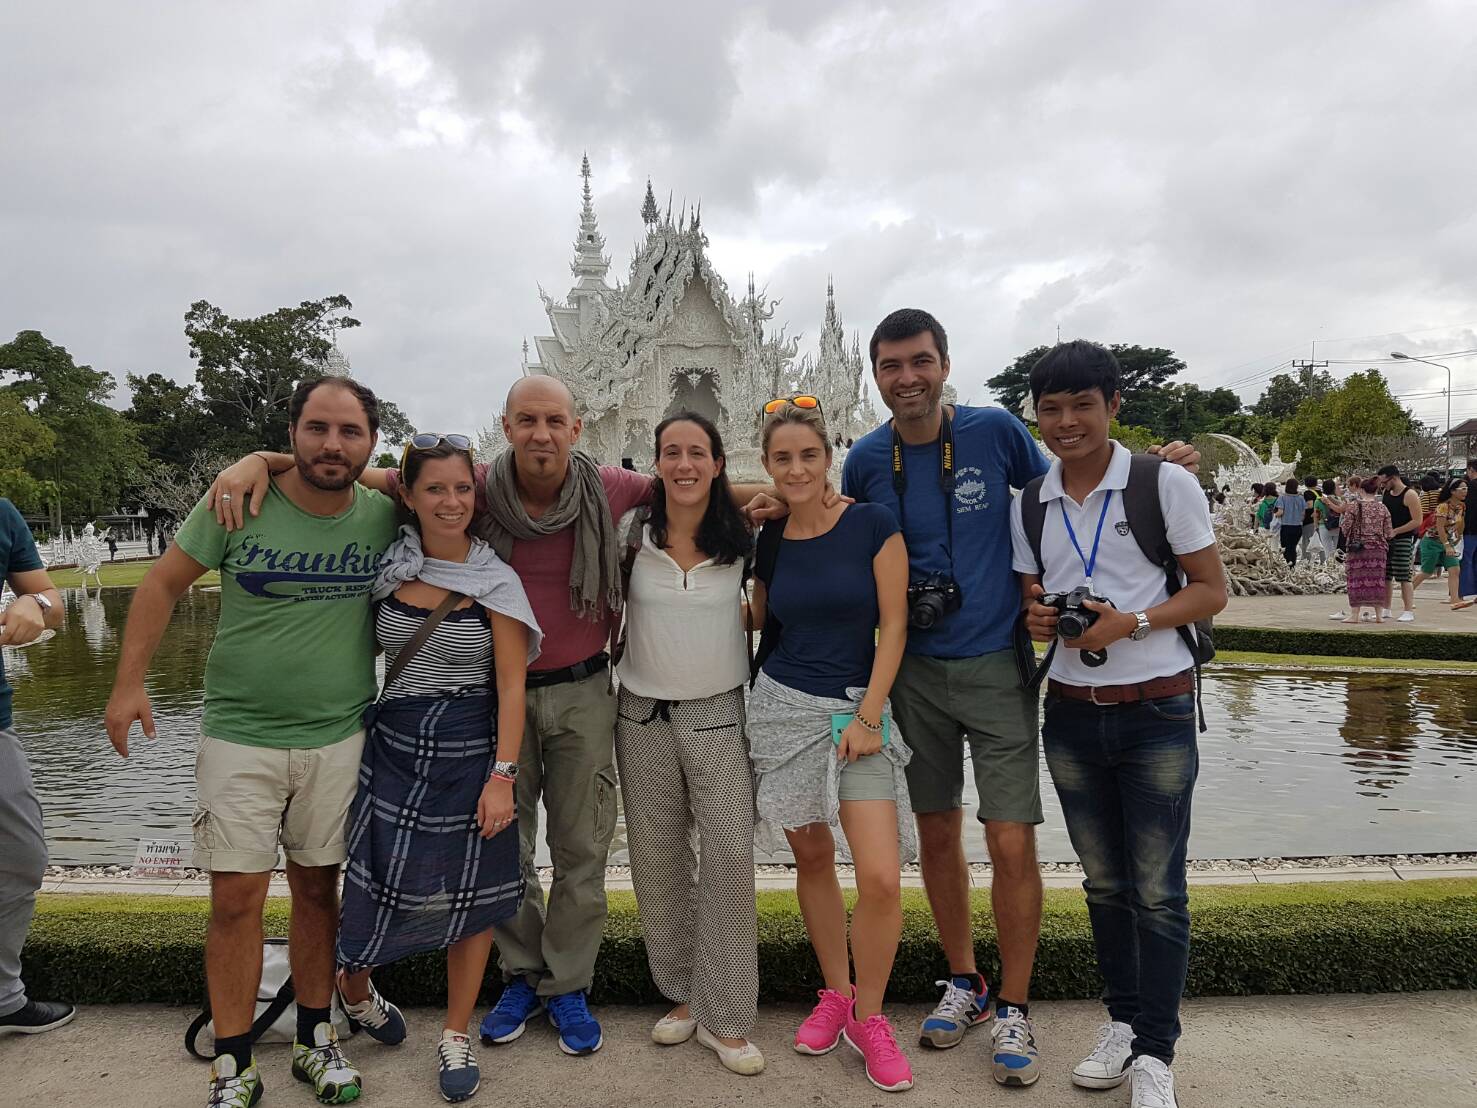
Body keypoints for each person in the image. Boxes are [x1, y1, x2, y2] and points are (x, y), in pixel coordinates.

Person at [209, 376, 786, 1057]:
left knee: (582, 849)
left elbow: (693, 490)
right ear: (506, 427)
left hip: (583, 691)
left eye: (554, 421)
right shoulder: (471, 487)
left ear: (576, 429)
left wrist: (788, 496)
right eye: (527, 420)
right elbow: (357, 473)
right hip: (493, 695)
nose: (541, 433)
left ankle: (568, 983)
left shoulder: (610, 487)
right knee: (504, 850)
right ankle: (521, 973)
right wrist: (260, 461)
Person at [831, 309, 1198, 1086]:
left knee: (1007, 839)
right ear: (874, 374)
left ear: (944, 363)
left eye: (920, 361)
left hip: (998, 663)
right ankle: (964, 981)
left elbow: (1067, 479)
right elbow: (838, 539)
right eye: (891, 365)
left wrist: (1155, 467)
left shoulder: (996, 431)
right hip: (911, 674)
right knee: (935, 834)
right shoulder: (865, 460)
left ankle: (1015, 1006)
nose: (908, 378)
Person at [106, 378, 398, 1107]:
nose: (332, 445)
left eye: (350, 432)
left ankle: (315, 1040)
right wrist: (128, 684)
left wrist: (256, 455)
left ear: (370, 443)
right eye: (316, 428)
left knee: (316, 890)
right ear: (292, 433)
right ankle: (233, 1059)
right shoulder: (239, 500)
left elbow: (463, 483)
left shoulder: (385, 513)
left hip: (339, 733)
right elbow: (163, 585)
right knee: (235, 897)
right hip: (241, 734)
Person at [1012, 341, 1226, 1108]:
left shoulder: (1161, 483)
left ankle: (1155, 1053)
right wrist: (1040, 617)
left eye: (1082, 405)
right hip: (1070, 714)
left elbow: (1210, 592)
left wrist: (1128, 623)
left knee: (1158, 891)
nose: (1066, 423)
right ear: (1035, 415)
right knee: (1103, 885)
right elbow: (1033, 600)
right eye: (1051, 409)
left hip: (1157, 708)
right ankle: (1122, 1023)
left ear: (1112, 407)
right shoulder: (1028, 501)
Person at [336, 436, 543, 1103]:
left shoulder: (494, 583)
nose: (451, 502)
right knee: (375, 880)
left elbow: (511, 687)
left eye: (462, 488)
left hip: (468, 750)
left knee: (471, 899)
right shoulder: (390, 570)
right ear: (408, 495)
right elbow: (337, 472)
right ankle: (356, 990)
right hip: (392, 747)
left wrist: (502, 777)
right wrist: (261, 461)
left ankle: (454, 1031)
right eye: (434, 489)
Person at [747, 398, 914, 1093]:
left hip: (855, 712)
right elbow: (757, 620)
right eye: (781, 458)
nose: (795, 469)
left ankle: (868, 1018)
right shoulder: (771, 539)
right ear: (767, 465)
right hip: (780, 710)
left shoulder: (871, 523)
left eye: (807, 456)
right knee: (811, 857)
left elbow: (895, 625)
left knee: (877, 876)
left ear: (827, 458)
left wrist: (870, 715)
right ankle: (835, 993)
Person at [611, 413, 764, 1076]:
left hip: (717, 712)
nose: (683, 464)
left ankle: (725, 1014)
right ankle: (682, 997)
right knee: (657, 860)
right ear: (655, 463)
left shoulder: (745, 538)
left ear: (717, 461)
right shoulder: (628, 534)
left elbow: (797, 491)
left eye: (696, 453)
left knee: (729, 856)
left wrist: (753, 491)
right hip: (639, 712)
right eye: (670, 453)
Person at [0, 499, 71, 1041]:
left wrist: (32, 601)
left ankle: (4, 998)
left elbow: (55, 601)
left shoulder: (3, 514)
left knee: (23, 856)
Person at [1339, 478, 1393, 624]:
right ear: (1376, 491)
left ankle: (1355, 615)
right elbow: (1389, 533)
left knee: (1356, 580)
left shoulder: (1353, 507)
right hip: (1379, 549)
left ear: (1361, 490)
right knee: (1377, 581)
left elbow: (1345, 528)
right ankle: (1379, 616)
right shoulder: (1383, 508)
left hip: (1358, 549)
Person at [1377, 465, 1422, 622]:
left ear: (1393, 478)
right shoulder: (1386, 493)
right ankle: (1386, 607)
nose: (1383, 485)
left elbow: (1417, 521)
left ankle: (1408, 609)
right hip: (1387, 539)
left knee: (1403, 575)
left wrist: (1397, 530)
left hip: (1403, 538)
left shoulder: (1410, 494)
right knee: (1386, 575)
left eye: (1384, 481)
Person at [1413, 477, 1466, 606]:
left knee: (1454, 569)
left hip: (1448, 541)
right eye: (1463, 489)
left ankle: (1455, 599)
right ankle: (1408, 593)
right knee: (1427, 571)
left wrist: (1459, 534)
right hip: (1432, 541)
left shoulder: (1461, 506)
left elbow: (1460, 521)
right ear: (1453, 491)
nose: (1465, 491)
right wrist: (1447, 545)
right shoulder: (1443, 507)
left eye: (1466, 489)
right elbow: (1439, 527)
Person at [1271, 479, 1305, 566]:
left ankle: (1287, 565)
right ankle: (1293, 565)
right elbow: (1303, 514)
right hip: (1297, 527)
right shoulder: (1301, 498)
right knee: (1293, 547)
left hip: (1286, 526)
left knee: (1285, 548)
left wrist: (1274, 514)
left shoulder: (1282, 497)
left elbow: (1280, 512)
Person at [1459, 459, 1477, 609]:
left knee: (1466, 561)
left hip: (1470, 529)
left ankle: (1462, 593)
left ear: (1471, 470)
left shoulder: (1467, 488)